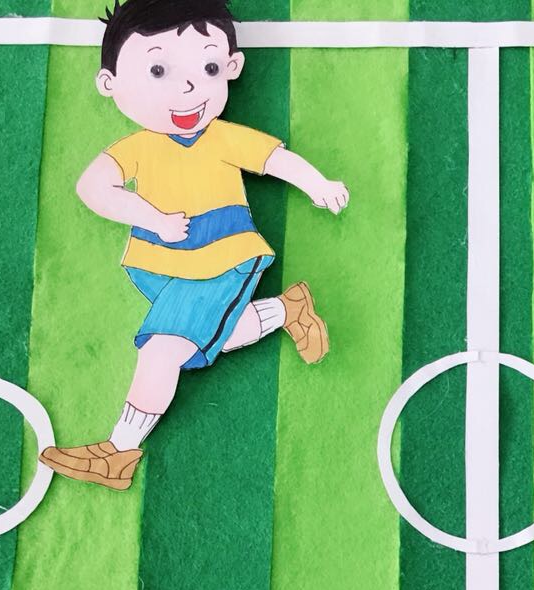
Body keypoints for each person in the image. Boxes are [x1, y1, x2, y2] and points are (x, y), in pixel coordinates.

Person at [39, 0, 348, 490]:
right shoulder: (138, 147)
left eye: (207, 68)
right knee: (201, 339)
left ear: (232, 67)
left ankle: (118, 453)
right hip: (166, 265)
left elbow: (275, 159)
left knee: (163, 349)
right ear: (109, 83)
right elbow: (93, 187)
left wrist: (318, 184)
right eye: (158, 70)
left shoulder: (222, 138)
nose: (187, 88)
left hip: (223, 257)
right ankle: (288, 310)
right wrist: (152, 218)